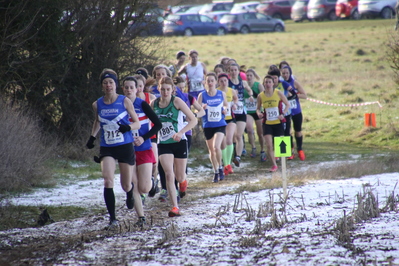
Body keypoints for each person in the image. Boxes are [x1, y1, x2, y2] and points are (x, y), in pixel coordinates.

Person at [86, 68, 141, 228]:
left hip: (124, 146)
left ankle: (130, 193)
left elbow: (137, 122)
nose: (108, 85)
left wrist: (128, 128)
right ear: (102, 86)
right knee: (108, 179)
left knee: (125, 184)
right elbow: (97, 121)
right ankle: (113, 219)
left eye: (111, 82)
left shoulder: (124, 101)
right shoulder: (97, 104)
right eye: (105, 83)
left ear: (115, 84)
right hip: (107, 147)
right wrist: (92, 137)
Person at [150, 76, 197, 217]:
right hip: (163, 144)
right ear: (159, 89)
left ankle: (183, 183)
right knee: (169, 175)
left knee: (179, 175)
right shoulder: (154, 104)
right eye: (162, 89)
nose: (165, 92)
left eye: (168, 89)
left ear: (172, 90)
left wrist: (181, 132)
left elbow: (193, 120)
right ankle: (175, 207)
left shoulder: (177, 101)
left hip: (179, 142)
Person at [122, 76, 162, 226]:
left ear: (137, 89)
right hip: (127, 151)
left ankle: (153, 181)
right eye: (126, 88)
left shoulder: (142, 104)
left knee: (144, 187)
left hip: (144, 149)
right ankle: (141, 218)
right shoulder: (119, 105)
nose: (129, 90)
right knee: (133, 184)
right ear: (123, 89)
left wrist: (144, 138)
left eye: (131, 87)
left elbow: (158, 125)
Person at [198, 73, 228, 183]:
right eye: (208, 81)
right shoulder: (202, 95)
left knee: (216, 147)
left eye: (212, 81)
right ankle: (215, 171)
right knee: (211, 150)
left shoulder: (221, 94)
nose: (210, 83)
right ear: (205, 83)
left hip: (220, 124)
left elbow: (225, 105)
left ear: (216, 82)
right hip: (208, 125)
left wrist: (225, 109)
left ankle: (220, 167)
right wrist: (201, 108)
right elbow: (196, 111)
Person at [256, 75, 290, 172]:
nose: (267, 84)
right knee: (269, 145)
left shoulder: (278, 93)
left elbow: (287, 104)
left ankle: (281, 161)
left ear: (273, 83)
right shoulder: (260, 96)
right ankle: (274, 165)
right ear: (264, 84)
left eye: (269, 82)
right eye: (266, 82)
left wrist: (283, 114)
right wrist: (259, 113)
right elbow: (258, 108)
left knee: (279, 145)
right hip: (267, 123)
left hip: (278, 122)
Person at [228, 63, 254, 167]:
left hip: (241, 112)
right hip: (230, 113)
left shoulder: (243, 83)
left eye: (235, 70)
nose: (234, 72)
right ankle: (231, 156)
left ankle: (238, 157)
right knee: (232, 137)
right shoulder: (227, 83)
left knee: (239, 135)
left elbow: (249, 90)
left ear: (239, 71)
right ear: (229, 72)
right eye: (232, 70)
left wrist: (251, 95)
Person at [281, 65, 307, 161]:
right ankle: (290, 150)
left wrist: (294, 96)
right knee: (287, 132)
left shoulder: (294, 83)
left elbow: (304, 95)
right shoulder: (280, 84)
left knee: (298, 130)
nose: (285, 75)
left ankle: (300, 149)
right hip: (285, 111)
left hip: (296, 110)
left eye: (287, 73)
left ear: (290, 73)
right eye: (283, 73)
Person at [217, 73, 238, 176]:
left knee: (229, 139)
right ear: (218, 82)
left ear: (228, 81)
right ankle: (225, 165)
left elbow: (236, 98)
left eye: (225, 80)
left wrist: (234, 104)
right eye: (221, 81)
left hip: (230, 118)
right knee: (223, 143)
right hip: (220, 120)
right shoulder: (217, 92)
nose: (223, 82)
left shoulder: (231, 90)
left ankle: (228, 164)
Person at [245, 68, 265, 161]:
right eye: (247, 75)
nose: (249, 77)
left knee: (260, 133)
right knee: (249, 130)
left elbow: (264, 97)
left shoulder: (258, 85)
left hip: (257, 111)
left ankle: (262, 150)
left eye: (250, 75)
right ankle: (253, 148)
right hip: (248, 111)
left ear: (254, 76)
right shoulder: (244, 85)